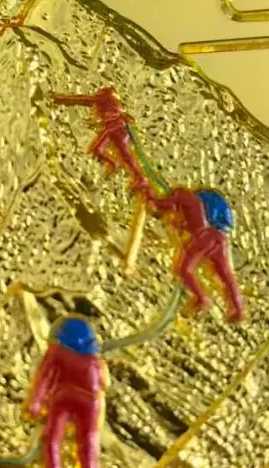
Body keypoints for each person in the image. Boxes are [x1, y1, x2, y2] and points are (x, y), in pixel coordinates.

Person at [26, 316, 108, 468]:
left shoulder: (56, 352)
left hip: (64, 396)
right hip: (91, 402)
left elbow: (44, 378)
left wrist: (35, 403)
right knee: (88, 452)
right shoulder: (94, 360)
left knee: (53, 438)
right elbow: (104, 383)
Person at [150, 186, 246, 322]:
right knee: (225, 274)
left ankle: (201, 297)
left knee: (184, 269)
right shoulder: (197, 206)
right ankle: (239, 308)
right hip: (218, 237)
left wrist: (148, 192)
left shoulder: (181, 194)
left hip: (204, 238)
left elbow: (162, 205)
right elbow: (189, 222)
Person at [53, 87, 149, 194]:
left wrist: (60, 97)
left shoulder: (103, 98)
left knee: (106, 150)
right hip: (118, 128)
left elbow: (81, 99)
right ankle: (127, 170)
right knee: (120, 153)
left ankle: (135, 175)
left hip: (114, 127)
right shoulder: (115, 101)